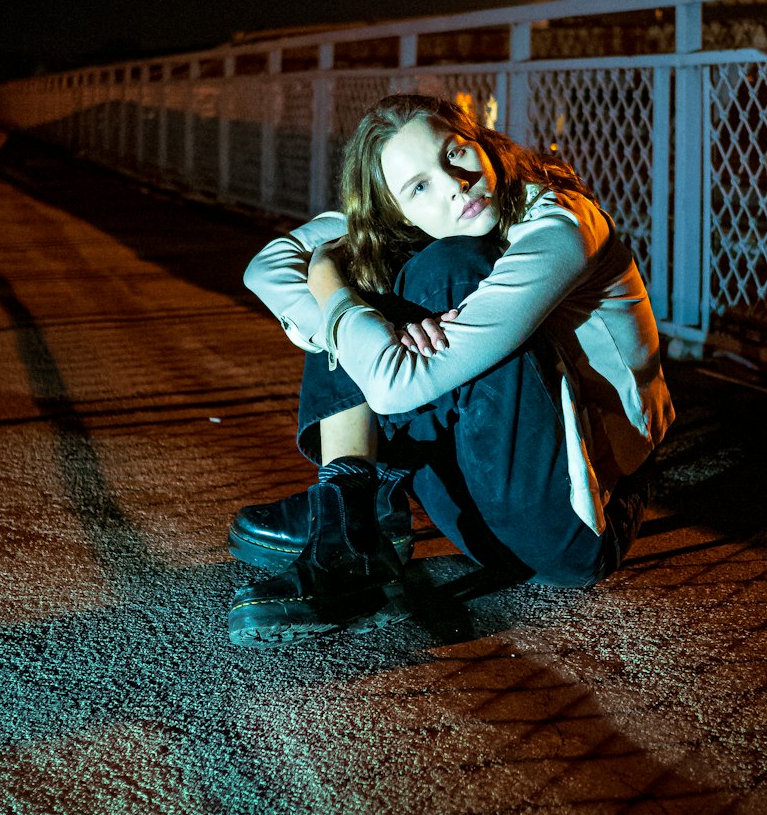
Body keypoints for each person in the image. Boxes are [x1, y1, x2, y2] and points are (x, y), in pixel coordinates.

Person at [228, 92, 674, 646]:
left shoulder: (560, 223)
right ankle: (352, 515)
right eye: (418, 187)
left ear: (481, 144)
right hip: (479, 517)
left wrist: (333, 288)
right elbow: (266, 268)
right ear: (396, 208)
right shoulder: (409, 223)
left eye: (456, 154)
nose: (453, 185)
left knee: (434, 272)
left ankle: (353, 508)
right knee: (366, 277)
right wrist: (347, 297)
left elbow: (392, 386)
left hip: (579, 523)